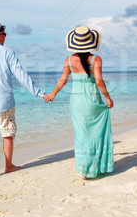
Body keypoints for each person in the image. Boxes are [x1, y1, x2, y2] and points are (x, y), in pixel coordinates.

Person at [0, 21, 49, 180]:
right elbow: (22, 76)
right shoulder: (7, 53)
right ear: (0, 35)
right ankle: (8, 165)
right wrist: (39, 93)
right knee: (7, 133)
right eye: (5, 34)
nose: (5, 37)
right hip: (5, 101)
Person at [47, 25, 114, 179]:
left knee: (81, 136)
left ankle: (84, 169)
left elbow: (63, 80)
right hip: (92, 102)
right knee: (96, 134)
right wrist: (108, 98)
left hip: (76, 103)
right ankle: (97, 166)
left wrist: (52, 94)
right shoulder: (96, 59)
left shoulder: (69, 60)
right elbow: (99, 81)